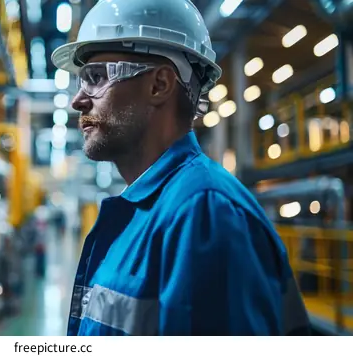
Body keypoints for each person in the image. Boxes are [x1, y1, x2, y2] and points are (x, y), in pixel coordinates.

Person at [51, 0, 310, 336]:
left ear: (159, 85)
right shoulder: (145, 211)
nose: (78, 100)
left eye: (96, 77)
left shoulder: (204, 213)